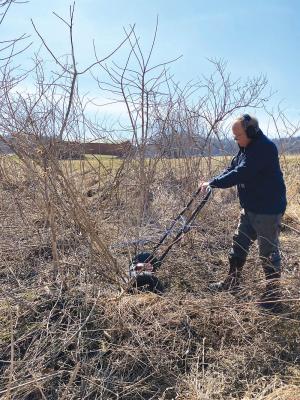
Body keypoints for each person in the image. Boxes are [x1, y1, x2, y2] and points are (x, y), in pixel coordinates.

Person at [201, 114, 287, 311]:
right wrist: (211, 182)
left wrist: (214, 183)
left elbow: (242, 173)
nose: (236, 139)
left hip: (268, 209)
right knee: (238, 243)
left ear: (251, 132)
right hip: (250, 208)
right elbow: (232, 168)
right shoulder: (244, 149)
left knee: (268, 253)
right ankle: (232, 281)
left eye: (238, 135)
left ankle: (273, 297)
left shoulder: (264, 148)